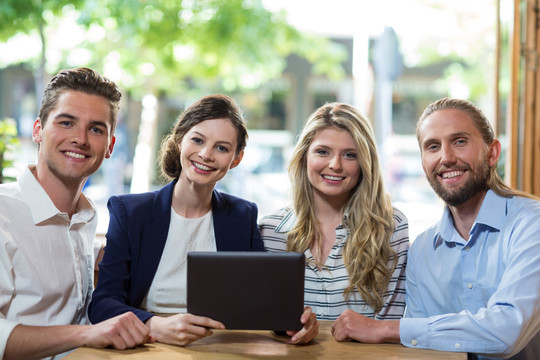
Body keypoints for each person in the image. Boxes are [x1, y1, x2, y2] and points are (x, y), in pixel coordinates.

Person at [88, 94, 318, 346]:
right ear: (179, 142)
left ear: (236, 159)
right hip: (148, 345)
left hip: (218, 346)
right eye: (197, 140)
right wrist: (154, 324)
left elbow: (261, 302)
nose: (206, 154)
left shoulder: (242, 216)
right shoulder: (131, 212)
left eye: (222, 148)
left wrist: (292, 321)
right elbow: (103, 303)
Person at [331, 97, 540, 360]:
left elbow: (507, 330)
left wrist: (382, 328)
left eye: (460, 142)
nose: (446, 158)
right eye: (432, 146)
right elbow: (426, 352)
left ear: (492, 153)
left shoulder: (532, 224)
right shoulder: (422, 250)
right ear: (423, 162)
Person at [0, 67, 152, 360]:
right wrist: (89, 334)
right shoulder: (4, 213)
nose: (80, 139)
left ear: (110, 146)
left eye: (95, 129)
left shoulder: (85, 216)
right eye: (66, 122)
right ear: (37, 131)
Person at [259, 103, 409, 324]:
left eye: (350, 155)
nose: (335, 165)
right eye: (323, 152)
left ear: (365, 163)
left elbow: (389, 326)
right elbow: (264, 321)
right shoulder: (269, 231)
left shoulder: (391, 226)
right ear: (304, 156)